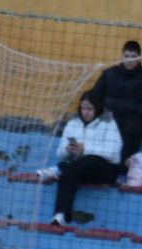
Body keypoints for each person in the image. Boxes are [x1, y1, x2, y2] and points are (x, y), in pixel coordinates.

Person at [39, 90, 122, 226]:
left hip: (105, 170)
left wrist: (85, 149)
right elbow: (59, 153)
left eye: (90, 108)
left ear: (98, 107)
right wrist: (68, 149)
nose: (86, 112)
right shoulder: (73, 123)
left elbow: (113, 154)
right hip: (78, 169)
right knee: (69, 172)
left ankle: (58, 170)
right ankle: (60, 215)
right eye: (83, 108)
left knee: (87, 160)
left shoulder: (109, 123)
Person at [87, 40, 142, 164]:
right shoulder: (109, 74)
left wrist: (135, 108)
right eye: (126, 56)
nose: (129, 60)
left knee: (129, 136)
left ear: (140, 58)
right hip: (109, 120)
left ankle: (121, 170)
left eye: (133, 57)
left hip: (134, 124)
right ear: (121, 56)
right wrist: (107, 106)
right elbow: (94, 96)